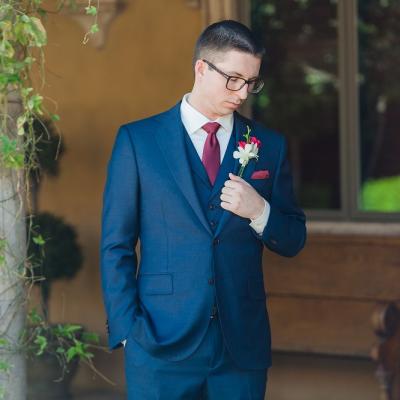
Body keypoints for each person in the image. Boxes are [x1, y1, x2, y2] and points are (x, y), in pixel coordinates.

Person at [100, 19, 306, 400]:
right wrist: (128, 330)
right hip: (158, 343)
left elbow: (293, 238)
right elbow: (116, 245)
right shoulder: (138, 141)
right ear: (201, 68)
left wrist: (259, 211)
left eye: (251, 82)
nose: (242, 93)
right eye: (233, 79)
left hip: (240, 346)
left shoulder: (268, 146)